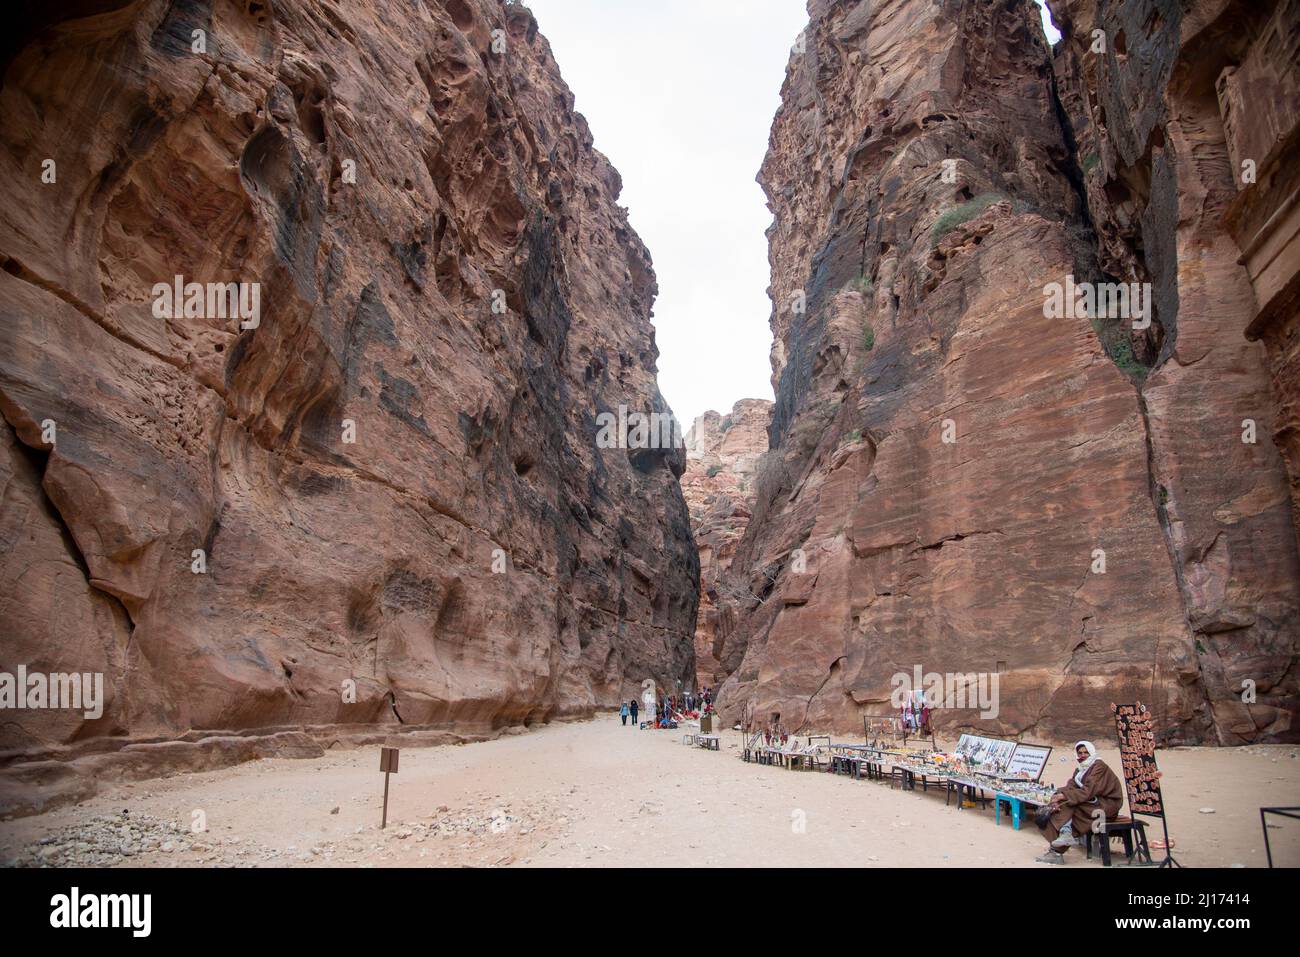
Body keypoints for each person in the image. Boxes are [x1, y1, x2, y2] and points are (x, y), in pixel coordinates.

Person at [1036, 740, 1123, 864]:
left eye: (1085, 753)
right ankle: (1058, 846)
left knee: (1067, 805)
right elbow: (1071, 786)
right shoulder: (1081, 768)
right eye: (1080, 753)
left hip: (1107, 804)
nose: (1082, 755)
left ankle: (1061, 841)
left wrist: (1064, 796)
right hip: (1092, 800)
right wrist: (1056, 796)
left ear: (1091, 752)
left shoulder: (1099, 766)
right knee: (1053, 809)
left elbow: (1088, 790)